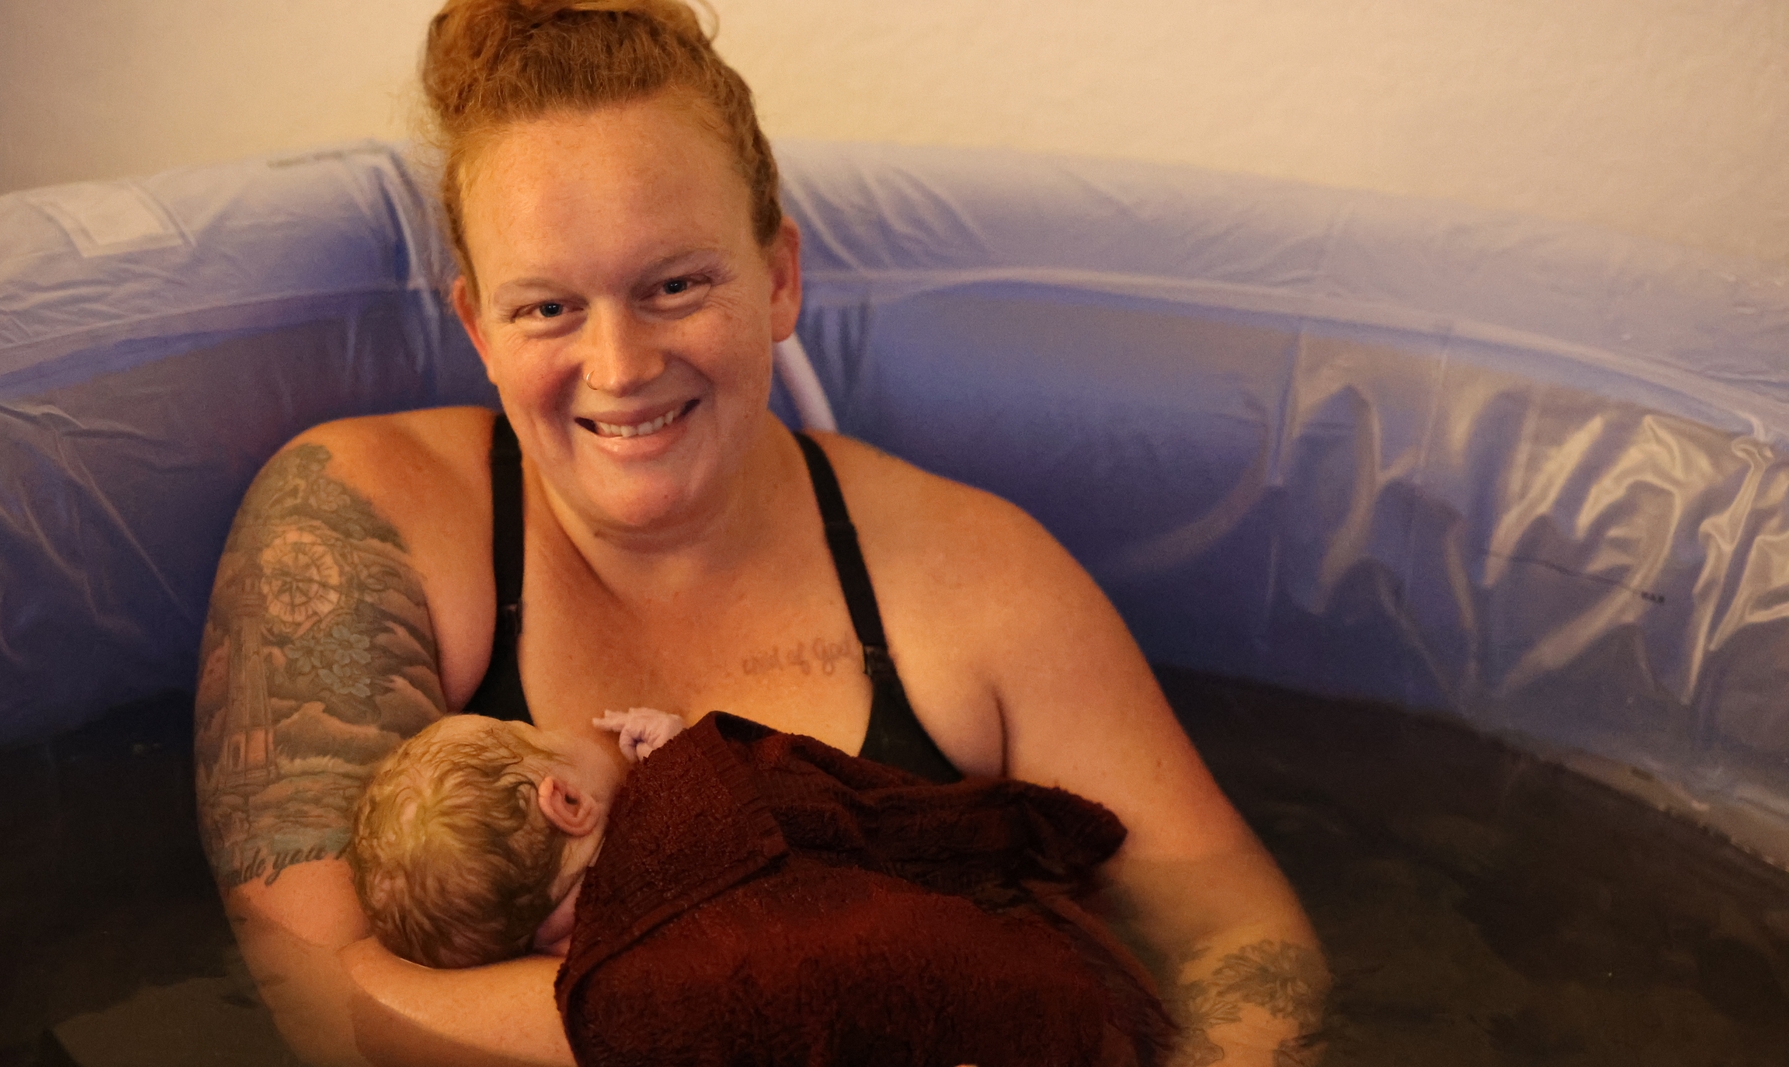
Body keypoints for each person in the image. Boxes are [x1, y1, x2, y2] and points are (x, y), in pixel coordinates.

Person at [192, 1, 1327, 1064]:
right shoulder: (359, 523)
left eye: (676, 284)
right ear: (477, 326)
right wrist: (807, 989)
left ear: (780, 276)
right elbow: (334, 1000)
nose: (621, 366)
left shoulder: (973, 575)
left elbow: (1237, 934)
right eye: (547, 306)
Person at [347, 707, 1174, 1066]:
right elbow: (834, 809)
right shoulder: (696, 798)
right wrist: (686, 756)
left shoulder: (613, 993)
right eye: (531, 731)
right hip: (1043, 994)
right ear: (565, 801)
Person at [345, 708, 686, 967]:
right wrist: (677, 755)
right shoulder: (647, 850)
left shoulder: (559, 960)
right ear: (570, 803)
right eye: (532, 733)